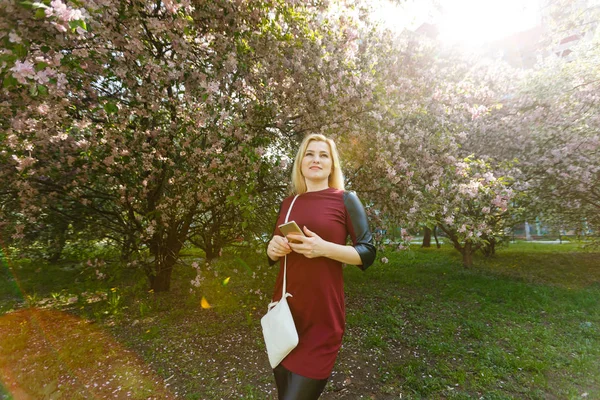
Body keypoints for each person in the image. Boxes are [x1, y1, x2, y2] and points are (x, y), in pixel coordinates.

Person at [266, 133, 376, 400]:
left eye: (323, 155)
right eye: (309, 154)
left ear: (332, 164)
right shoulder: (289, 203)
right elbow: (274, 249)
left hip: (322, 318)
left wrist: (324, 248)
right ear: (301, 163)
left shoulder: (345, 199)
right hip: (287, 315)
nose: (316, 159)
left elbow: (368, 252)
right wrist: (271, 249)